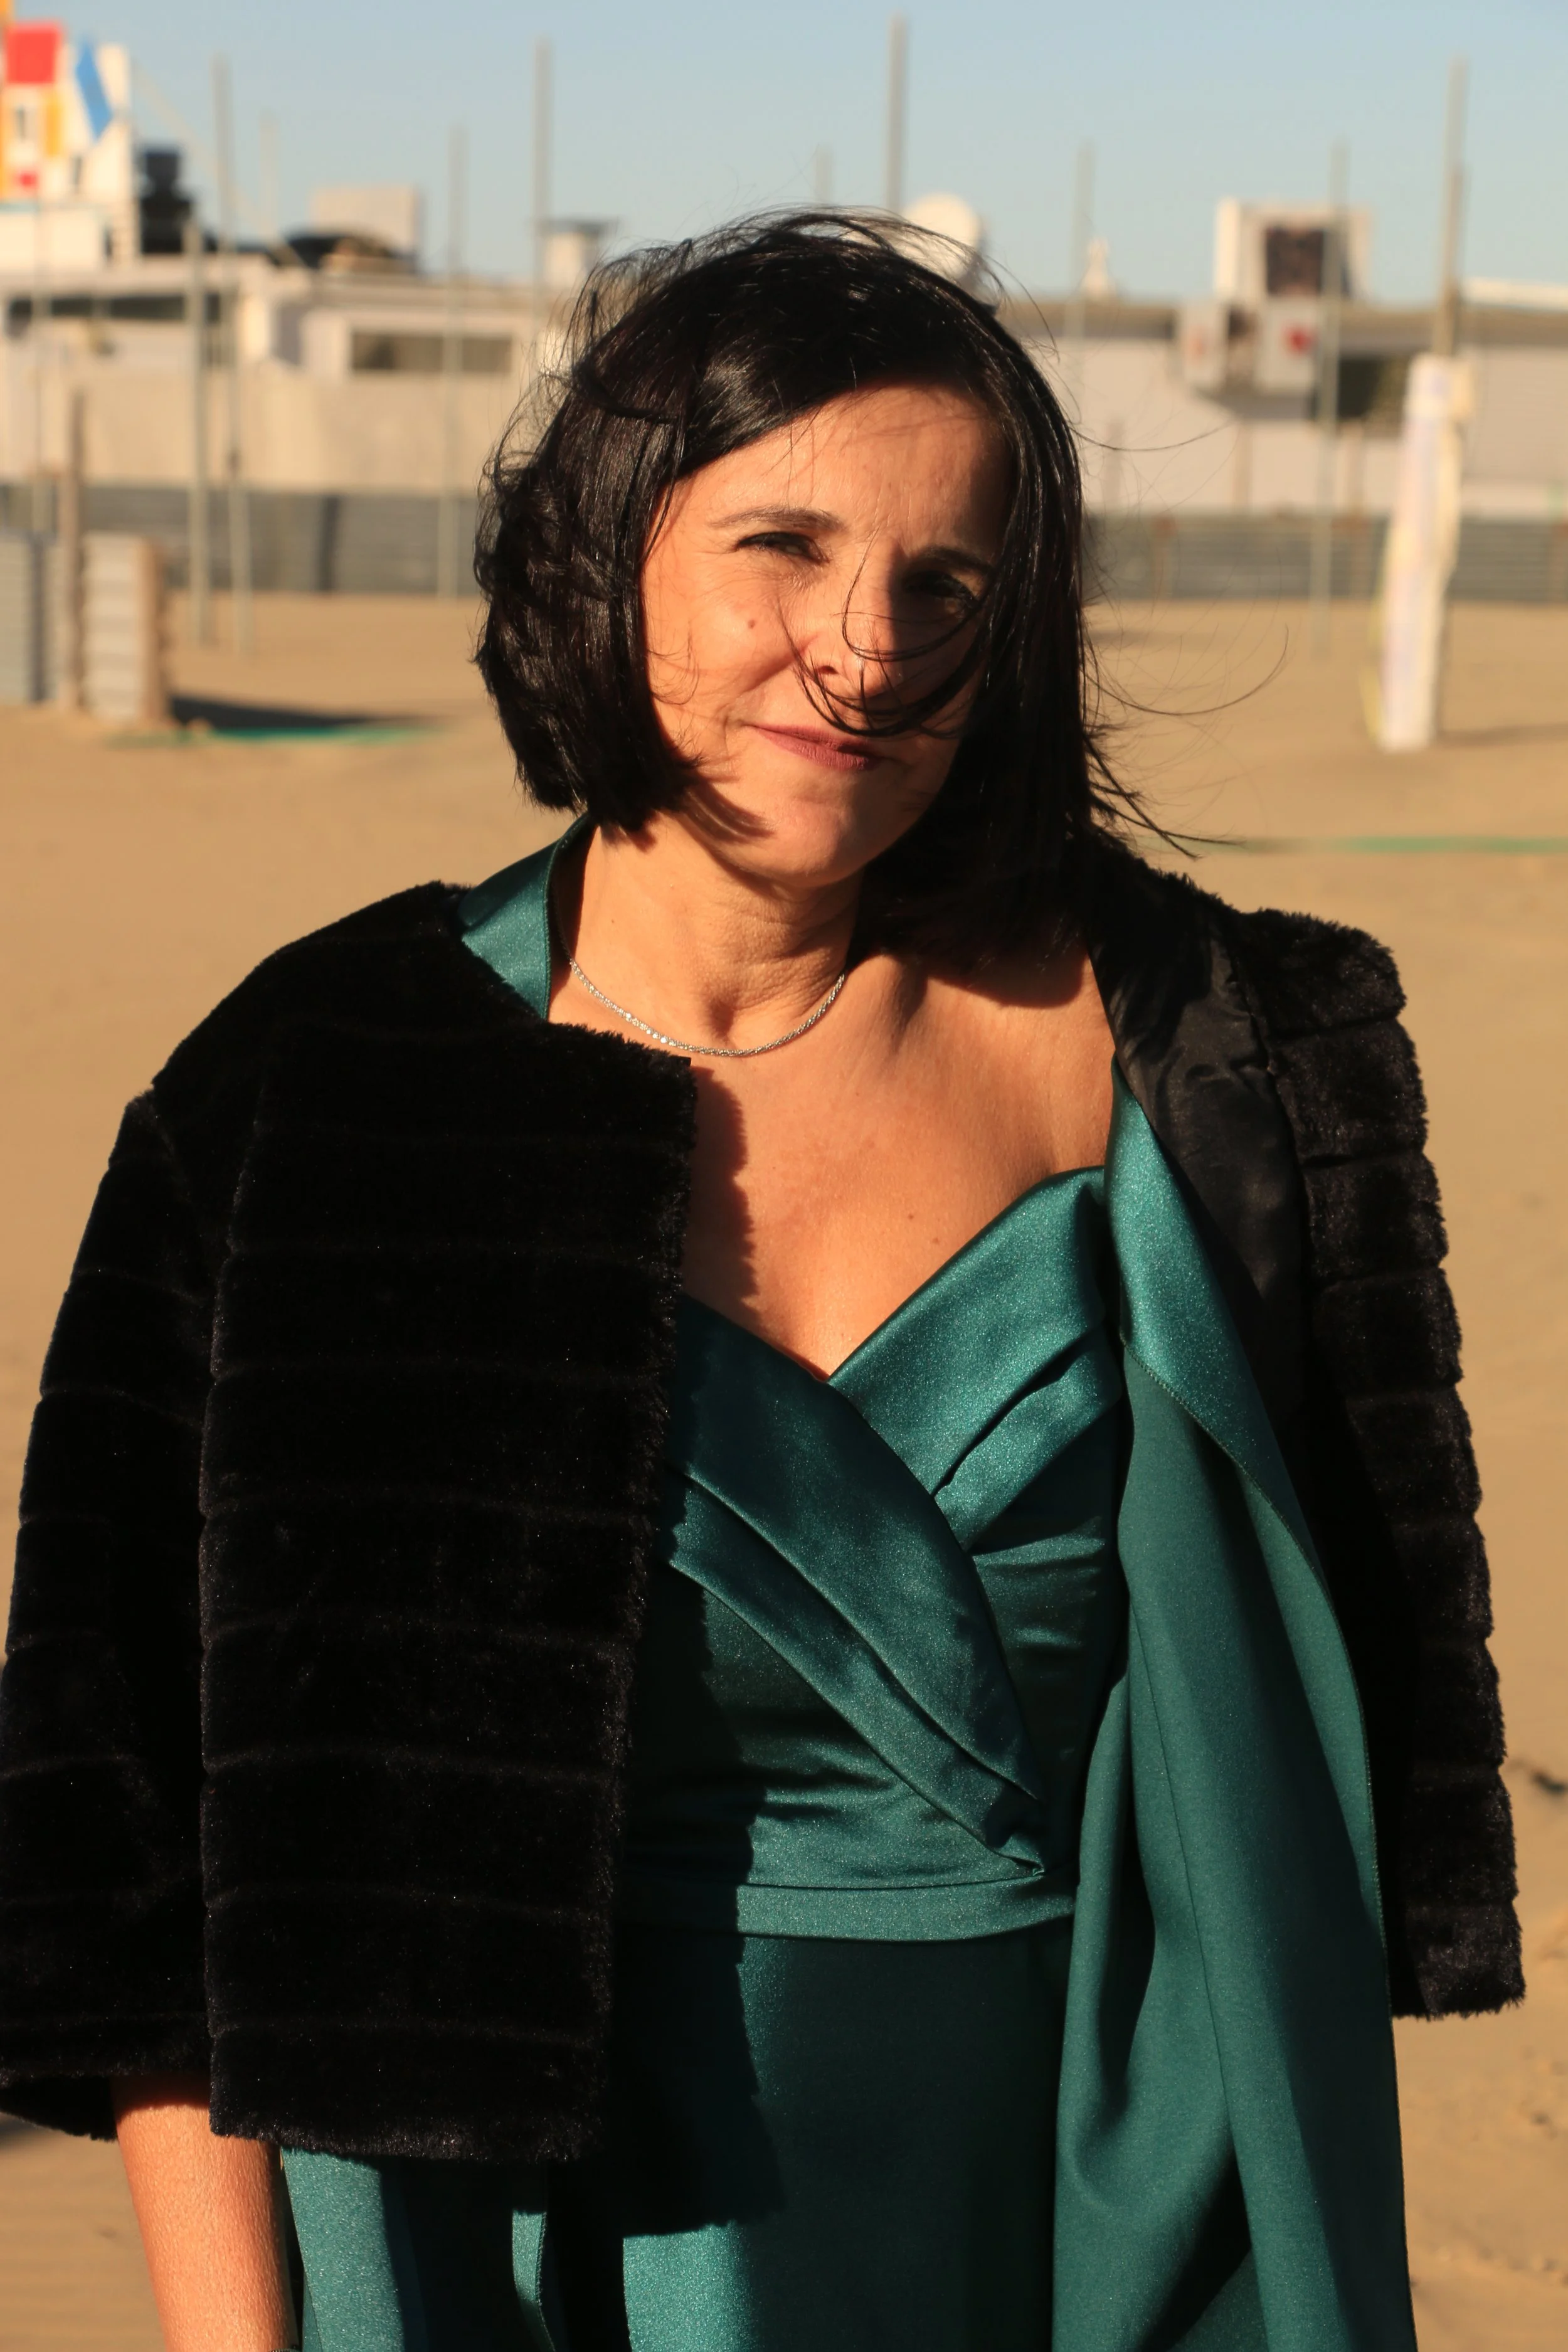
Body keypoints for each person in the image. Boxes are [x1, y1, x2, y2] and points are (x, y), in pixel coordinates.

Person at [0, 218, 1520, 2352]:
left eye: (944, 586)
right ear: (604, 552)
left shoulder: (1216, 1065)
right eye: (781, 546)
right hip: (507, 2261)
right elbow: (128, 1841)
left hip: (1081, 2239)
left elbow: (1309, 1784)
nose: (863, 649)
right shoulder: (313, 1089)